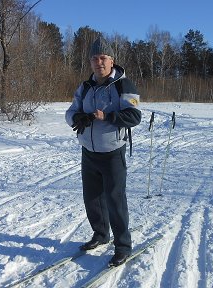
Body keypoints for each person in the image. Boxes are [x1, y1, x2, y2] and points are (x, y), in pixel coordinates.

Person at [65, 36, 141, 266]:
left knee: (115, 199)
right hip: (88, 152)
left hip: (112, 152)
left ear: (111, 60)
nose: (99, 63)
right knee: (92, 198)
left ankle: (123, 246)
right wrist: (77, 117)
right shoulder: (85, 86)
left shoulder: (123, 85)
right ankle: (100, 235)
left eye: (103, 58)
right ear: (90, 62)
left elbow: (134, 116)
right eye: (95, 59)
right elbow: (70, 112)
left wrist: (107, 116)